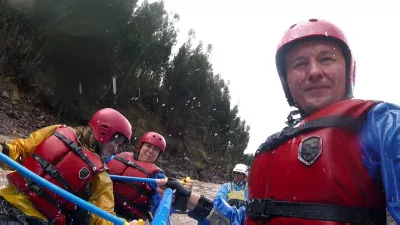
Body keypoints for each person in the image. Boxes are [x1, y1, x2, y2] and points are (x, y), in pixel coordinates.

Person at [154, 18, 400, 225]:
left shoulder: (383, 125)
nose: (314, 71)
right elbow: (242, 221)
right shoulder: (273, 148)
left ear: (349, 71)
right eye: (300, 64)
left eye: (326, 59)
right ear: (287, 81)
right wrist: (189, 199)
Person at [0, 108, 138, 225]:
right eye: (116, 142)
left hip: (38, 220)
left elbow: (102, 218)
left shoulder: (100, 176)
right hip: (7, 202)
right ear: (105, 132)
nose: (115, 150)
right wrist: (4, 149)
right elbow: (21, 149)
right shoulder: (57, 131)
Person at [106, 132, 169, 222]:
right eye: (148, 146)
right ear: (141, 146)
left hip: (129, 220)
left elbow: (160, 204)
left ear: (158, 155)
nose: (150, 151)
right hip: (102, 208)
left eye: (155, 149)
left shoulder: (157, 177)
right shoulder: (116, 158)